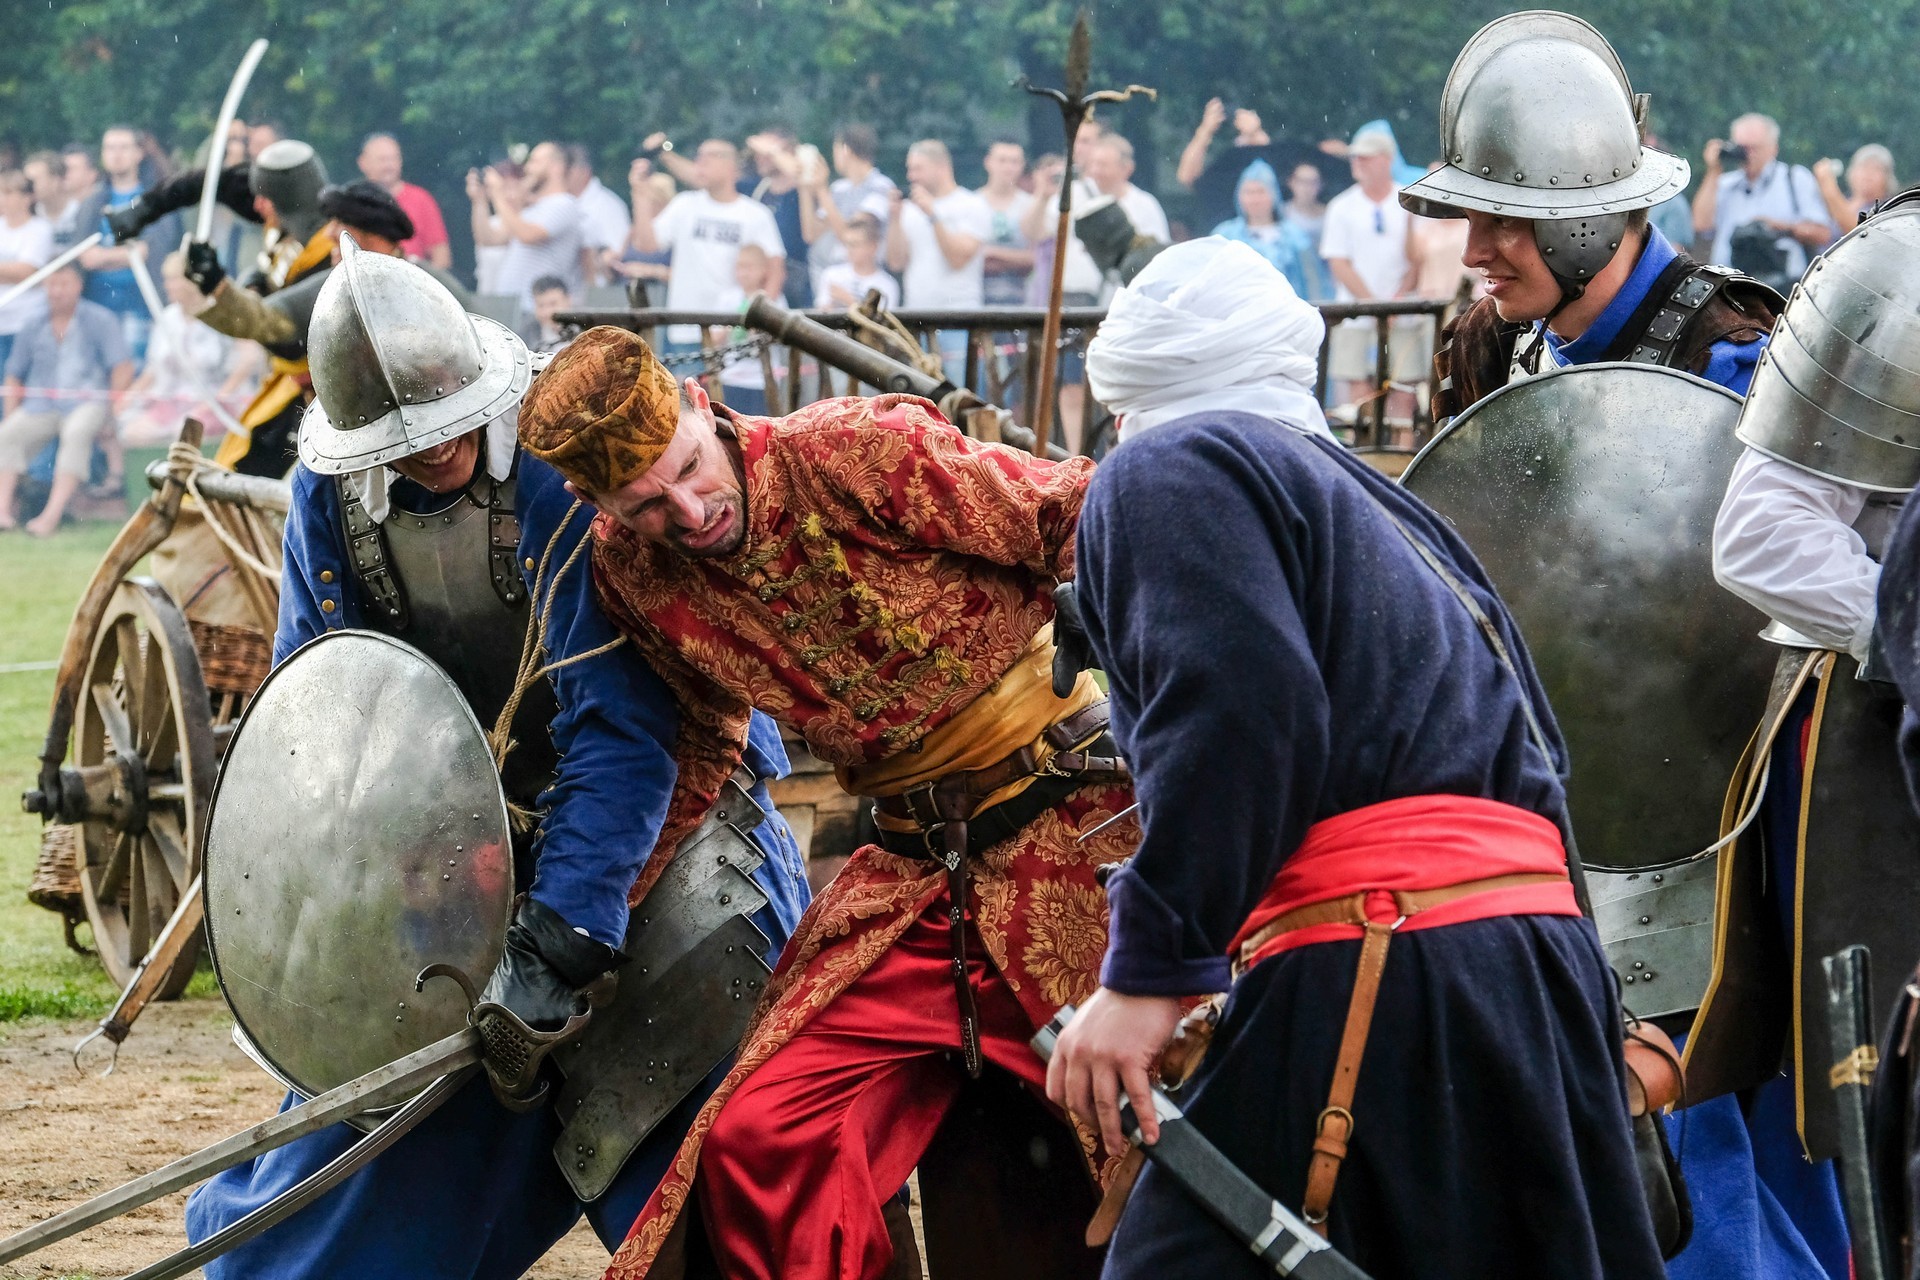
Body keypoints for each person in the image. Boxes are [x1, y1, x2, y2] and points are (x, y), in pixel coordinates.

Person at [184, 242, 810, 1280]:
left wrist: (561, 939)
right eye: (402, 442)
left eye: (446, 424)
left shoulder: (559, 474)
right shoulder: (328, 502)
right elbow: (323, 722)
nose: (432, 450)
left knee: (727, 1189)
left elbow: (626, 727)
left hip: (674, 830)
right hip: (462, 858)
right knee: (363, 1177)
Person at [1050, 233, 1665, 1279]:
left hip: (1383, 946)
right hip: (1527, 970)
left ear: (1134, 396)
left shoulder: (1172, 463)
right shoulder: (1393, 514)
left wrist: (1150, 973)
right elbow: (1540, 760)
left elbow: (1242, 713)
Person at [518, 324, 1137, 1280]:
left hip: (1074, 820)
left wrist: (1108, 592)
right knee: (764, 1136)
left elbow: (1072, 509)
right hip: (910, 874)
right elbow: (700, 745)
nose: (689, 511)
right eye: (645, 505)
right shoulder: (631, 573)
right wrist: (586, 924)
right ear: (590, 502)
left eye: (688, 469)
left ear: (699, 406)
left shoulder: (855, 449)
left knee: (1151, 1126)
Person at [1399, 14, 1840, 1278]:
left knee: (1728, 1182)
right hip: (1565, 818)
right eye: (1471, 215)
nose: (1474, 249)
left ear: (1589, 217)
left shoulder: (1743, 360)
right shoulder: (1505, 349)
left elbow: (1800, 639)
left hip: (1734, 833)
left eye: (1506, 219)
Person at [0, 263, 132, 533]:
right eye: (52, 284)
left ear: (79, 286)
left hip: (88, 402)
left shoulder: (100, 319)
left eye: (64, 284)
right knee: (8, 433)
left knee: (77, 432)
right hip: (41, 404)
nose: (57, 291)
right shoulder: (33, 322)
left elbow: (122, 367)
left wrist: (111, 411)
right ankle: (2, 512)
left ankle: (50, 516)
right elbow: (14, 374)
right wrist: (11, 415)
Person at [628, 138, 785, 353]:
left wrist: (758, 320)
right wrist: (640, 194)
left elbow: (776, 270)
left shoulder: (755, 214)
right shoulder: (684, 204)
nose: (700, 162)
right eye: (699, 156)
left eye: (710, 156)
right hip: (683, 330)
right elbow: (647, 245)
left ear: (731, 166)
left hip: (733, 333)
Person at [117, 249, 253, 446]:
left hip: (217, 405)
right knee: (133, 431)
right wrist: (129, 398)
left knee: (184, 432)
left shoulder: (222, 313)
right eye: (166, 279)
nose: (167, 286)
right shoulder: (167, 318)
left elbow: (247, 362)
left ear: (192, 280)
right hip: (171, 404)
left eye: (173, 279)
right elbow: (153, 370)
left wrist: (216, 402)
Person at [1320, 130, 1414, 417]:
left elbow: (1418, 258)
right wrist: (1373, 306)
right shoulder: (1341, 206)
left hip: (1404, 314)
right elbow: (1338, 262)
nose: (1357, 163)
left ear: (1386, 160)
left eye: (1366, 157)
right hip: (1355, 316)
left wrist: (1397, 301)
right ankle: (1363, 446)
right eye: (1355, 157)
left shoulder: (1409, 201)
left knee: (1403, 392)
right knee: (1359, 397)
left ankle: (1402, 447)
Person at [885, 138, 992, 381]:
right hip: (917, 320)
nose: (911, 176)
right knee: (919, 395)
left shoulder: (972, 204)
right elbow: (896, 262)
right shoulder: (909, 210)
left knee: (961, 392)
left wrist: (933, 215)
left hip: (960, 319)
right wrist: (895, 218)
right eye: (910, 169)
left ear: (941, 167)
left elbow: (958, 258)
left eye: (917, 168)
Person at [75, 124, 184, 362]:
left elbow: (149, 251)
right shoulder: (92, 202)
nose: (116, 154)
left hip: (142, 304)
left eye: (124, 147)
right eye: (110, 148)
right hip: (96, 304)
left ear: (139, 153)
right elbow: (84, 257)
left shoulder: (156, 200)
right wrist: (126, 255)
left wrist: (103, 257)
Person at [1692, 114, 1835, 290]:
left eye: (1754, 148)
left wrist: (1780, 228)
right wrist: (1714, 169)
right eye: (1742, 148)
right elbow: (1701, 224)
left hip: (1783, 286)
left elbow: (1822, 234)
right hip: (1729, 286)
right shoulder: (1723, 184)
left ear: (1773, 148)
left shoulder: (1794, 179)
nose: (1748, 155)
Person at [1174, 96, 1348, 232]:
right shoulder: (1227, 168)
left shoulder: (1288, 164)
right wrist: (1205, 130)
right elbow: (1186, 177)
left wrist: (1258, 135)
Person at [477, 141, 585, 312]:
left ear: (556, 167)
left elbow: (528, 235)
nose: (528, 168)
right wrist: (479, 200)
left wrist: (498, 195)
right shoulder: (533, 207)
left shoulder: (564, 204)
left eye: (535, 161)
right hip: (515, 308)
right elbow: (489, 239)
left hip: (538, 308)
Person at [797, 123, 896, 284]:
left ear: (845, 150)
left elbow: (851, 236)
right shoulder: (838, 189)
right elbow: (811, 234)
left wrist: (822, 190)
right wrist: (804, 186)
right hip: (829, 278)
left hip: (866, 282)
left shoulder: (881, 187)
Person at [1209, 159, 1307, 297]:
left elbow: (1312, 282)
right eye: (1249, 192)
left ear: (1274, 194)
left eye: (1261, 192)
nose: (1255, 199)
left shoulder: (1295, 235)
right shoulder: (1225, 235)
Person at [356, 132, 452, 270]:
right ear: (363, 163)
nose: (388, 165)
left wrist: (424, 280)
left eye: (393, 158)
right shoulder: (354, 204)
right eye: (382, 159)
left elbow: (441, 255)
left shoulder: (421, 200)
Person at [0, 169, 54, 372]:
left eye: (8, 193)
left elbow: (26, 271)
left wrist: (15, 272)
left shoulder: (40, 229)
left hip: (26, 321)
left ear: (27, 198)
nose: (2, 199)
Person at [977, 139, 1036, 307]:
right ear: (988, 162)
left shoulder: (1031, 206)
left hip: (1023, 303)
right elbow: (970, 259)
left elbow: (1034, 259)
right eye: (1002, 160)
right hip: (978, 303)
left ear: (1022, 165)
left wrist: (992, 253)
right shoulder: (972, 204)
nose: (1008, 167)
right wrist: (1014, 259)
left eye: (1014, 161)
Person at [565, 143, 632, 288]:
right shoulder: (564, 202)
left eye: (567, 171)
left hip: (598, 293)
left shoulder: (608, 207)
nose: (562, 176)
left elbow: (617, 255)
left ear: (584, 171)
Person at [812, 213, 897, 310]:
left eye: (855, 244)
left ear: (873, 247)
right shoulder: (831, 275)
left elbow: (882, 318)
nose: (849, 249)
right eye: (847, 244)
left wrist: (849, 301)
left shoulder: (887, 285)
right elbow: (821, 311)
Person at [1813, 143, 1895, 235]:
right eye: (1864, 167)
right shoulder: (1843, 200)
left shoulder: (1886, 209)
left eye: (1876, 169)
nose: (1868, 174)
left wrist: (1829, 186)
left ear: (1887, 178)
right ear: (1852, 172)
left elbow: (1858, 231)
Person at [1281, 161, 1331, 300]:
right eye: (1302, 182)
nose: (1307, 188)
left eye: (1312, 182)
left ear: (1320, 185)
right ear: (1291, 182)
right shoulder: (1281, 215)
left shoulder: (1330, 214)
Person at [517, 274, 574, 354]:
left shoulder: (584, 329)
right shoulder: (527, 336)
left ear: (568, 300)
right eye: (541, 305)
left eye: (553, 304)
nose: (547, 312)